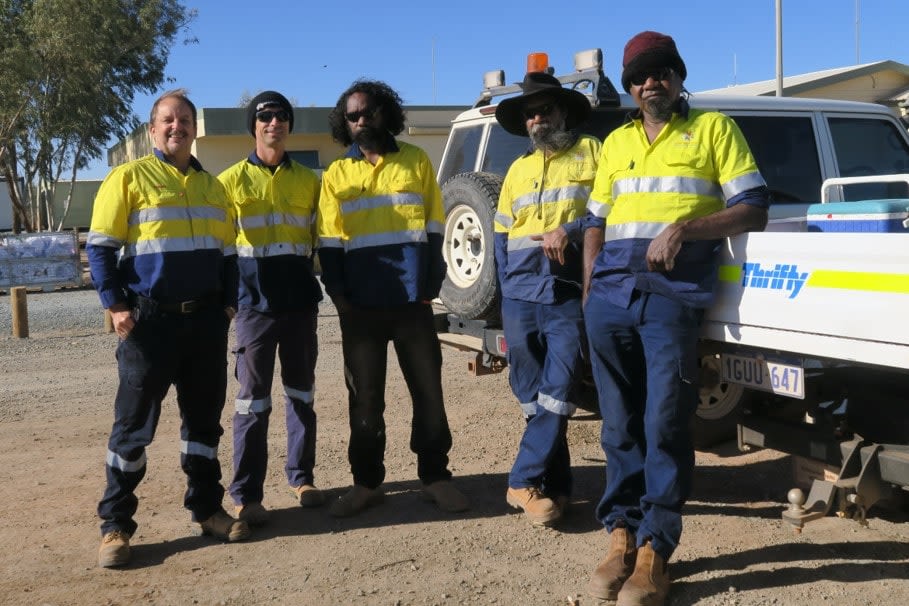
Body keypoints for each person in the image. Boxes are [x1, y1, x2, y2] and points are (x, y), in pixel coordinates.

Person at [583, 32, 769, 606]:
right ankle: (620, 533)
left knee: (664, 419)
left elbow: (754, 207)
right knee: (617, 422)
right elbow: (595, 216)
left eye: (661, 72)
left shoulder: (713, 130)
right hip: (610, 297)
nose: (650, 83)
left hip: (672, 295)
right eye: (639, 75)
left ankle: (654, 551)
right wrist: (591, 278)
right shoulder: (613, 142)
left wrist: (686, 228)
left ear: (678, 76)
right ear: (630, 85)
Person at [87, 89, 249, 569]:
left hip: (204, 323)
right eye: (167, 120)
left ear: (194, 128)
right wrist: (116, 306)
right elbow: (100, 248)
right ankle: (115, 524)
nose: (176, 126)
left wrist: (227, 307)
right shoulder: (128, 178)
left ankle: (207, 509)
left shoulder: (214, 188)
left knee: (203, 425)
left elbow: (228, 257)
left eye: (184, 120)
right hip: (149, 323)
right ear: (153, 130)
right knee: (133, 429)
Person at [317, 79, 469, 517]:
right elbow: (328, 242)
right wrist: (341, 299)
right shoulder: (337, 174)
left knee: (428, 392)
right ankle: (366, 484)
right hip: (360, 309)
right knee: (364, 398)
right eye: (352, 116)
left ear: (387, 112)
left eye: (368, 112)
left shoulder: (417, 161)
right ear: (344, 122)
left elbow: (437, 227)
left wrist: (430, 287)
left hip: (411, 305)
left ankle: (436, 477)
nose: (361, 121)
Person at [492, 71, 601, 527]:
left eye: (545, 110)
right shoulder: (517, 170)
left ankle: (520, 478)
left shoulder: (592, 153)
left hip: (564, 292)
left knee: (559, 389)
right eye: (530, 113)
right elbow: (501, 235)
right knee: (530, 395)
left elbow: (609, 213)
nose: (538, 119)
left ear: (562, 113)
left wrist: (571, 231)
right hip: (519, 295)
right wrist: (501, 296)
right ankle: (553, 490)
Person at [217, 91, 324, 527]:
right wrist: (228, 302)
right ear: (253, 125)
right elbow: (221, 248)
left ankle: (302, 478)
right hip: (253, 308)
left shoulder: (310, 181)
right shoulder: (227, 182)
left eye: (281, 116)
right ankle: (245, 495)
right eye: (265, 116)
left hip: (300, 304)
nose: (273, 123)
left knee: (302, 395)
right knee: (251, 403)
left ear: (289, 126)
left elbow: (321, 241)